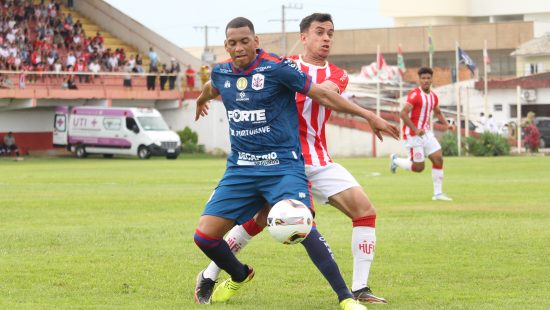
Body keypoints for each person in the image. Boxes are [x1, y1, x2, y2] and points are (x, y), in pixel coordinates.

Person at [193, 17, 397, 310]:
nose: (326, 38)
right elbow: (219, 81)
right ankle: (214, 274)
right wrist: (203, 97)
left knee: (360, 212)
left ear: (256, 41)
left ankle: (356, 290)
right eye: (319, 33)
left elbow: (324, 92)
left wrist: (367, 114)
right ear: (303, 37)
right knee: (255, 222)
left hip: (305, 158)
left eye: (330, 34)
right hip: (266, 160)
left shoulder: (326, 73)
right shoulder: (278, 64)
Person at [390, 67, 454, 201]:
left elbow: (437, 112)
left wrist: (446, 124)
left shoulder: (433, 97)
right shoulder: (415, 95)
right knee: (419, 168)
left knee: (438, 158)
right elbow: (403, 113)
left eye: (428, 78)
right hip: (413, 136)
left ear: (431, 79)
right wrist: (415, 129)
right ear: (419, 80)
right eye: (423, 78)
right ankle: (395, 160)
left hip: (426, 134)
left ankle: (438, 194)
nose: (425, 80)